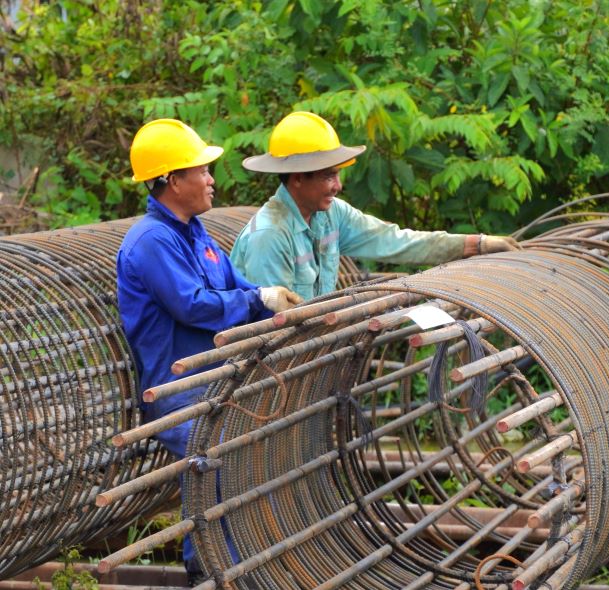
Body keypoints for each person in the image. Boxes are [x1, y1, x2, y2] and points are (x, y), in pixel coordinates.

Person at [116, 119, 302, 584]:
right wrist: (255, 301)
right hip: (178, 393)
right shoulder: (152, 241)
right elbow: (191, 305)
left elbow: (239, 289)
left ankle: (246, 563)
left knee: (259, 450)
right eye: (202, 170)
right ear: (173, 181)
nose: (211, 179)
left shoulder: (195, 232)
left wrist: (275, 302)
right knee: (219, 459)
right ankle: (208, 571)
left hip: (215, 383)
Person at [230, 111, 520, 299]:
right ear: (296, 179)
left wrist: (475, 244)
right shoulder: (269, 237)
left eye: (338, 174)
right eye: (329, 176)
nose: (338, 185)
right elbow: (272, 329)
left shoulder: (331, 213)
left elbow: (393, 240)